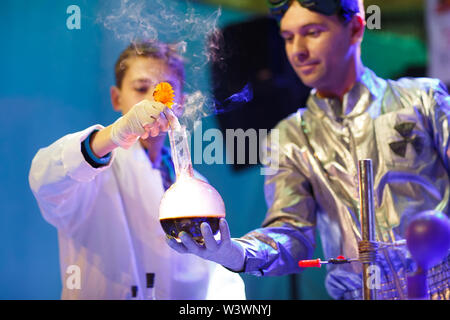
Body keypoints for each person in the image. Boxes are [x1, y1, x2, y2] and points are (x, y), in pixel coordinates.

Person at [167, 0, 450, 300]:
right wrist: (233, 253)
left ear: (355, 28)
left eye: (312, 32)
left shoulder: (421, 100)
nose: (297, 50)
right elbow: (290, 233)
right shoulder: (290, 137)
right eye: (288, 38)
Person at [28, 40, 246, 300]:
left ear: (181, 104)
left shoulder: (197, 189)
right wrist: (113, 134)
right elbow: (44, 178)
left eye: (165, 93)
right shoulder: (92, 171)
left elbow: (220, 281)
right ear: (116, 98)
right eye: (141, 88)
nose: (152, 103)